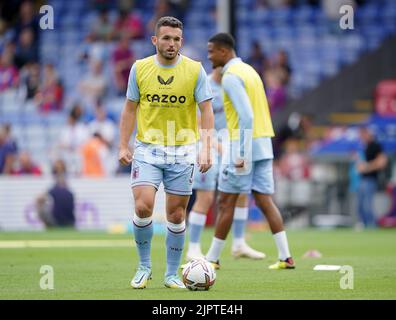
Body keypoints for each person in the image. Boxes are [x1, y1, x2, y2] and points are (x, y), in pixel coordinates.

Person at [118, 16, 214, 289]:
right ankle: (144, 267)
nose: (171, 44)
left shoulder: (195, 70)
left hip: (182, 151)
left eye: (176, 39)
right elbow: (129, 108)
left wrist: (206, 146)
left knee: (175, 215)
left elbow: (206, 110)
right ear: (155, 40)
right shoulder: (140, 68)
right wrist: (123, 144)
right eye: (166, 38)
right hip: (148, 148)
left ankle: (172, 274)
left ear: (181, 42)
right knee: (143, 205)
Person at [205, 33, 295, 270]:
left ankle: (212, 259)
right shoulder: (251, 72)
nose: (209, 55)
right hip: (263, 145)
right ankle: (286, 257)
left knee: (226, 202)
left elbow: (246, 115)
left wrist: (241, 153)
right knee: (265, 201)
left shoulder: (231, 77)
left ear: (224, 51)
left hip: (241, 146)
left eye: (212, 50)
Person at [186, 66, 265, 261]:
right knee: (205, 197)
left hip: (231, 144)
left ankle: (239, 243)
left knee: (240, 195)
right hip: (208, 145)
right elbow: (197, 121)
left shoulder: (235, 85)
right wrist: (214, 144)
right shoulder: (204, 85)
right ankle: (193, 248)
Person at [356, 126, 388, 228]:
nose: (361, 137)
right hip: (361, 179)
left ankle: (372, 225)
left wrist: (367, 167)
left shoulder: (375, 145)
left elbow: (382, 162)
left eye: (362, 134)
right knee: (360, 205)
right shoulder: (364, 146)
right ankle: (364, 224)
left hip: (370, 179)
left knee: (368, 204)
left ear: (367, 133)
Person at [36, 159, 75, 228]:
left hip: (67, 217)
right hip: (57, 217)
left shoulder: (65, 182)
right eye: (57, 168)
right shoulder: (54, 184)